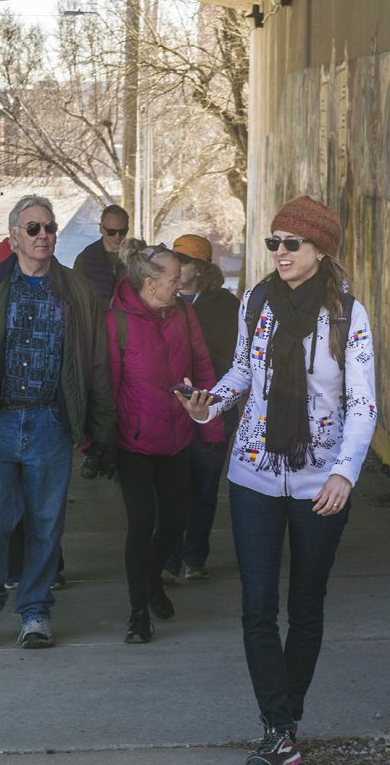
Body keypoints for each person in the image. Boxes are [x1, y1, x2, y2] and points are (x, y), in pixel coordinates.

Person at [178, 196, 377, 765]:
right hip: (254, 477)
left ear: (321, 250)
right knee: (257, 606)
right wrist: (209, 405)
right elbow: (242, 370)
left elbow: (362, 404)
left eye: (293, 243)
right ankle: (278, 727)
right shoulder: (255, 303)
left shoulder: (346, 315)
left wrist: (344, 473)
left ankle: (286, 719)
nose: (281, 253)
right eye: (274, 242)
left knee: (305, 607)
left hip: (321, 483)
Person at [0, 194, 116, 649]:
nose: (44, 236)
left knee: (45, 522)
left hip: (50, 424)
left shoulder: (78, 291)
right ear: (14, 237)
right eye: (34, 228)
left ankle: (35, 613)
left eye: (50, 227)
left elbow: (97, 363)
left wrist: (102, 429)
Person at [108, 238, 223, 643]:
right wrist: (97, 445)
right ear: (150, 282)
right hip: (133, 443)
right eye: (173, 279)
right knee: (141, 524)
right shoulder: (116, 320)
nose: (179, 285)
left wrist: (208, 423)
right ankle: (138, 612)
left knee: (175, 522)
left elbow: (203, 366)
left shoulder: (184, 314)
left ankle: (151, 578)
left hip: (176, 437)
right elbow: (103, 386)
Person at [162, 234, 240, 583]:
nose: (178, 267)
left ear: (202, 269)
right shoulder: (163, 301)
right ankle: (170, 557)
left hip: (211, 410)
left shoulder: (224, 305)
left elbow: (237, 362)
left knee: (205, 487)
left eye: (185, 261)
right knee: (172, 486)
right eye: (174, 259)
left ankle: (194, 556)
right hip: (171, 412)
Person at [73, 204, 129, 303]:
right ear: (101, 228)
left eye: (122, 231)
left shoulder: (136, 258)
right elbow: (77, 298)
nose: (117, 236)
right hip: (97, 317)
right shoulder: (86, 259)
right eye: (111, 232)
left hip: (129, 317)